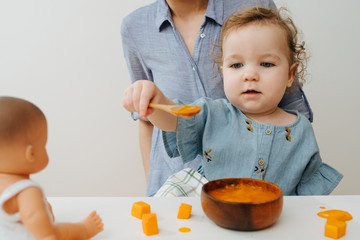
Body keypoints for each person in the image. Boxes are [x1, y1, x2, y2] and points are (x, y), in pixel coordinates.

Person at [123, 6, 343, 196]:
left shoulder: (301, 131)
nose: (250, 75)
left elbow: (307, 199)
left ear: (289, 75)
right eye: (236, 65)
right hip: (212, 216)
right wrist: (154, 99)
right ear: (223, 73)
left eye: (266, 64)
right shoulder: (213, 114)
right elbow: (174, 120)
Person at [0, 96, 104, 240]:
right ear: (31, 153)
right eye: (43, 145)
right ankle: (85, 228)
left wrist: (43, 209)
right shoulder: (28, 192)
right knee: (58, 231)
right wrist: (48, 235)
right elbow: (33, 217)